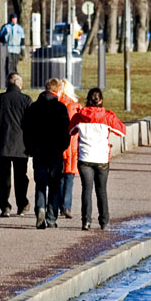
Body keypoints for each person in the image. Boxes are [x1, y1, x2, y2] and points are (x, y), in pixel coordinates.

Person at [69, 88, 126, 230]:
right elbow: (122, 131)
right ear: (100, 100)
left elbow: (70, 131)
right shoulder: (107, 117)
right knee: (101, 190)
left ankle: (86, 221)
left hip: (85, 157)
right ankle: (104, 221)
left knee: (86, 190)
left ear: (88, 99)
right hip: (101, 158)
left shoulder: (79, 116)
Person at [22, 78, 70, 229]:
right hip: (55, 151)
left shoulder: (33, 107)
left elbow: (26, 129)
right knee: (54, 185)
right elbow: (66, 132)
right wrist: (63, 147)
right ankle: (51, 217)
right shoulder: (61, 108)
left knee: (40, 183)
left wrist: (30, 147)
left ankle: (40, 208)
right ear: (58, 91)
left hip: (38, 151)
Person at [0, 72, 32, 217]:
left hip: (2, 143)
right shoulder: (26, 100)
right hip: (21, 145)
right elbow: (31, 122)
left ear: (7, 84)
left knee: (3, 177)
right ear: (20, 85)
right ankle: (22, 204)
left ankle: (5, 206)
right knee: (21, 177)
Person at [57, 79, 81, 218]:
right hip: (72, 145)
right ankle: (67, 206)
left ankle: (60, 205)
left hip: (59, 144)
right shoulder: (75, 106)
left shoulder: (57, 104)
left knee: (59, 176)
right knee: (69, 177)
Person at [0, 13, 25, 79]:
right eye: (13, 18)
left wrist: (22, 48)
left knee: (15, 63)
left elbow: (22, 38)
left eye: (15, 18)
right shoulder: (6, 27)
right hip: (8, 48)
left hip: (16, 49)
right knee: (9, 63)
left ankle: (14, 76)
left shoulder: (19, 28)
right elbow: (0, 37)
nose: (14, 20)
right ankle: (9, 77)